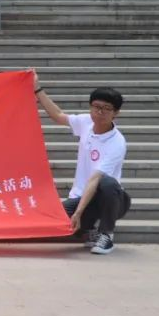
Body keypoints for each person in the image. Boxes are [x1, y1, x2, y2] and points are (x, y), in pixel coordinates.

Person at [34, 74, 130, 255]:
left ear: (115, 113)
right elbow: (58, 115)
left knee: (107, 182)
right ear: (90, 107)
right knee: (57, 220)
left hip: (111, 199)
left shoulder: (117, 142)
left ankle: (107, 235)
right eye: (97, 107)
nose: (100, 112)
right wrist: (37, 89)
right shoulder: (86, 122)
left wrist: (78, 212)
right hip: (82, 196)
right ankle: (88, 229)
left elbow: (95, 179)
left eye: (107, 109)